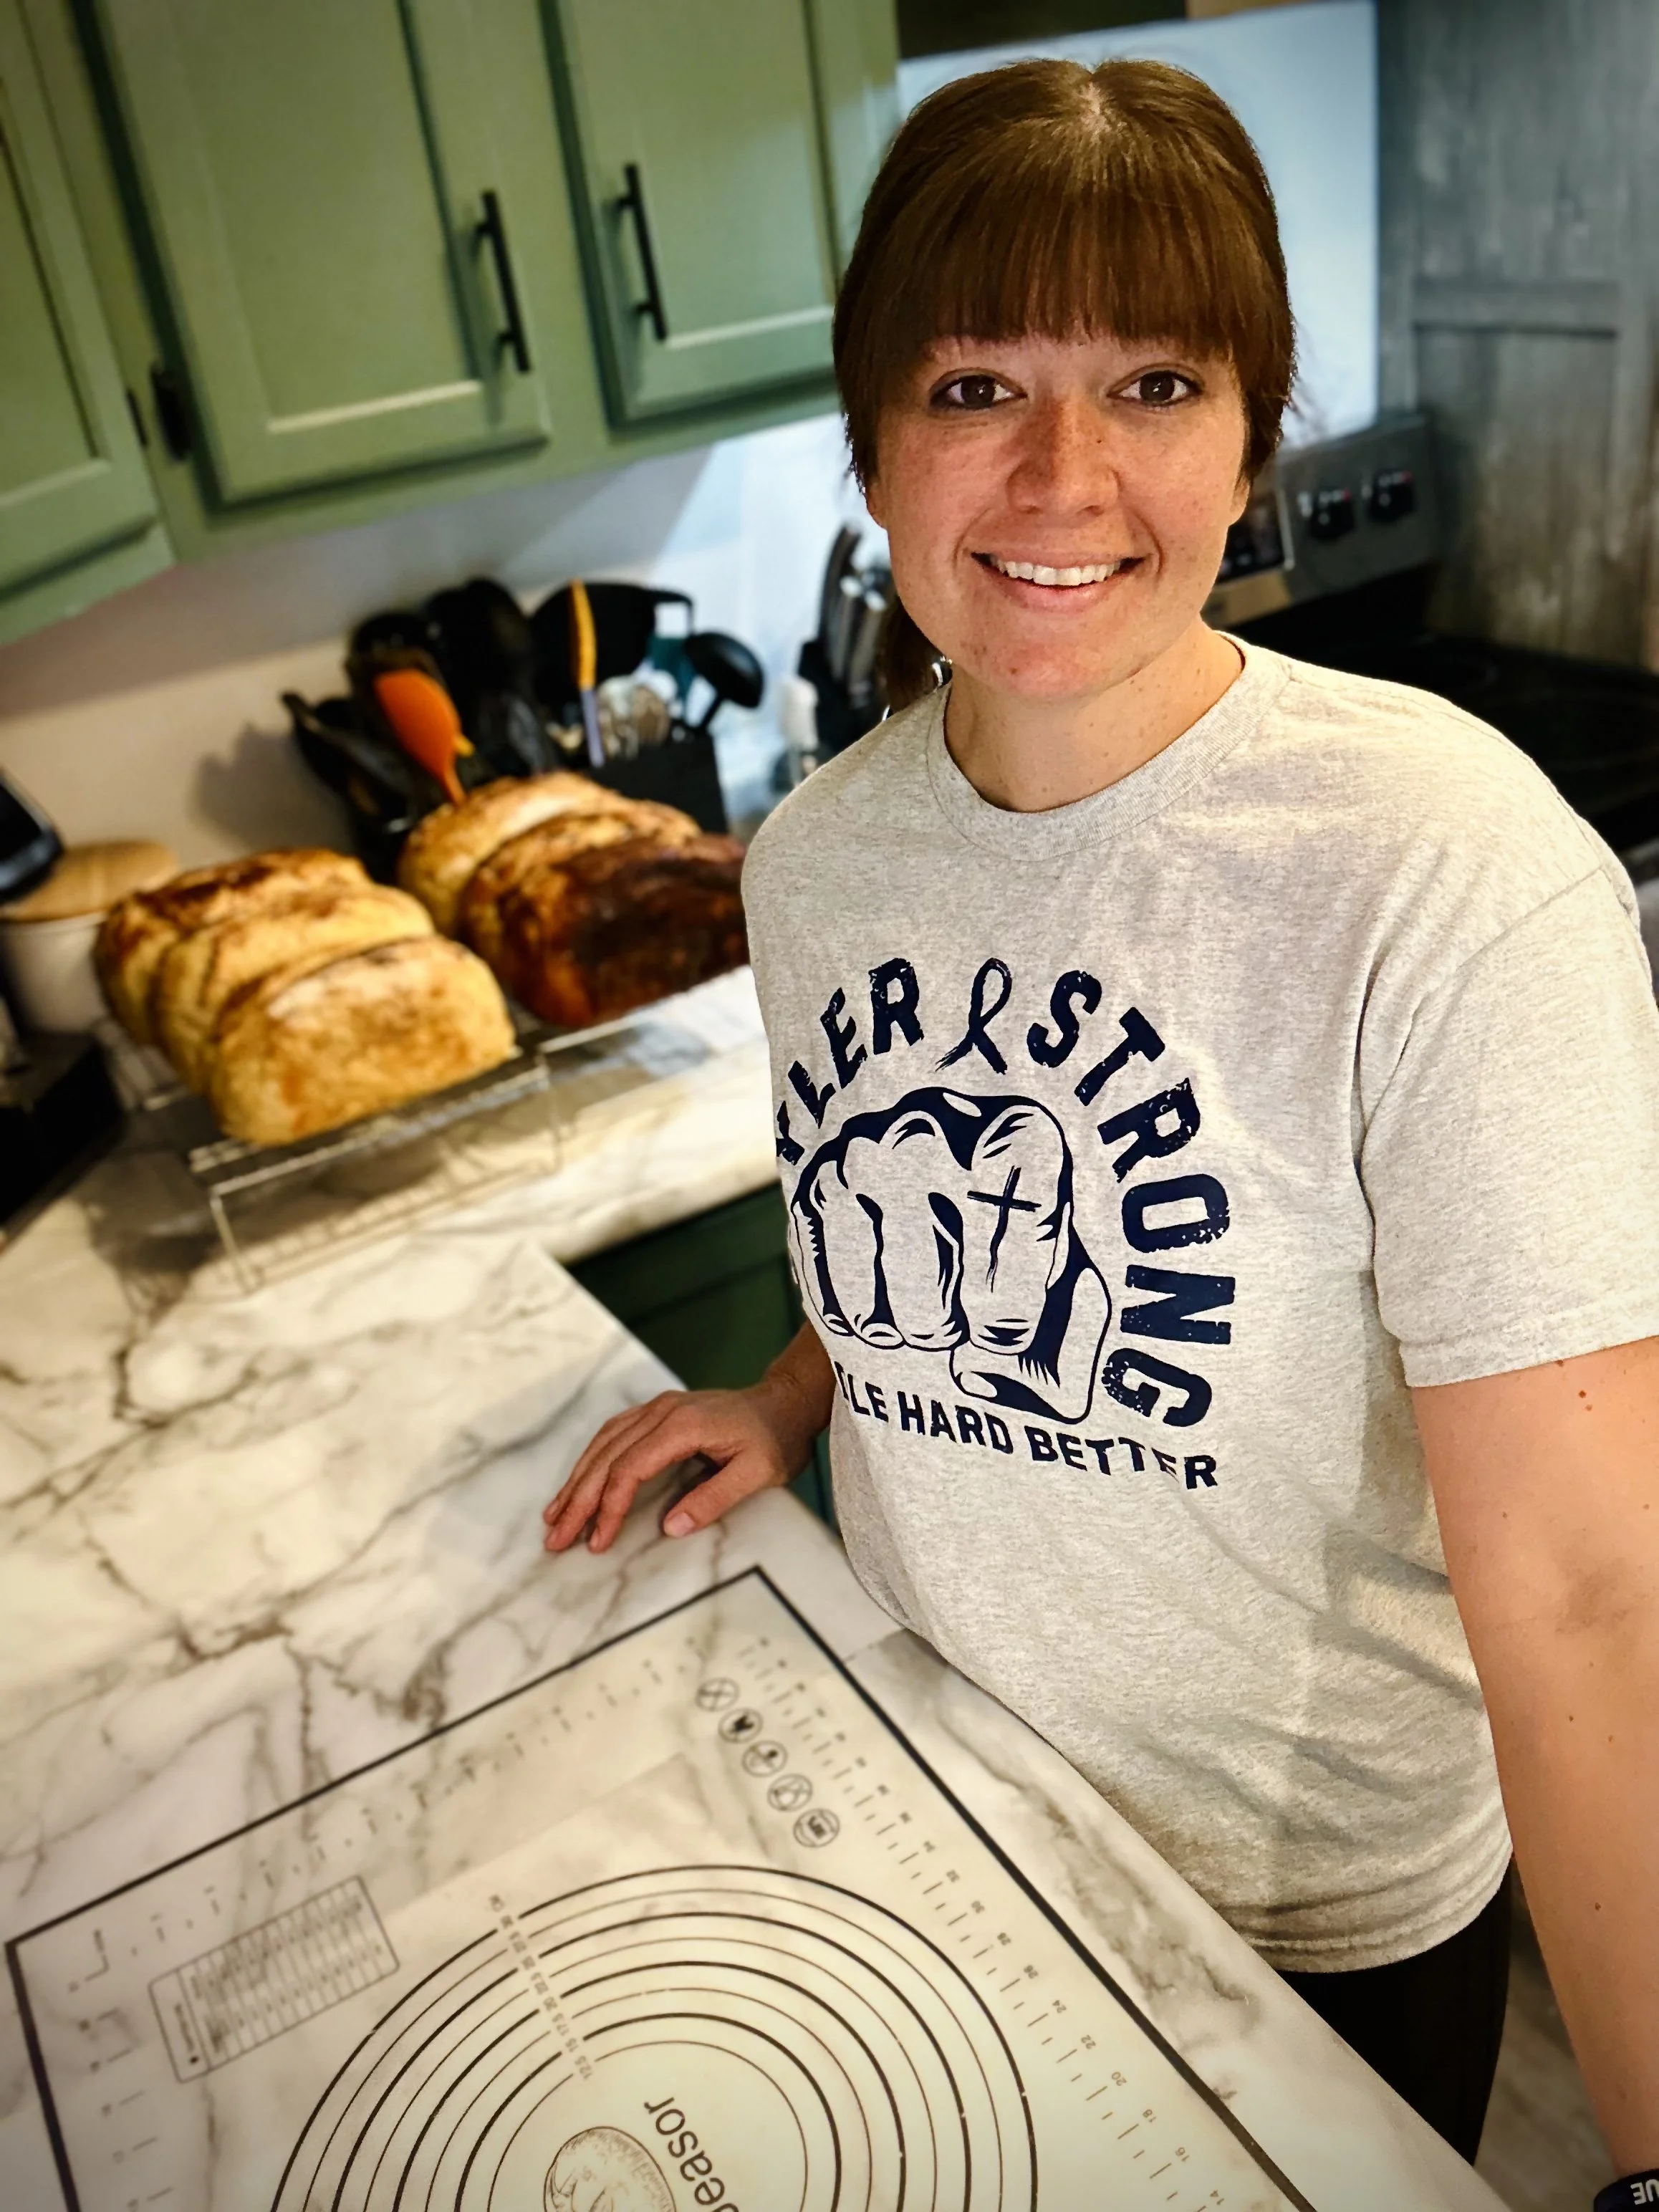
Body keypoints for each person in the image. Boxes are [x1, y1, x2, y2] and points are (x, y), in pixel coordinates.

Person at [544, 57, 1659, 2181]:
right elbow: (907, 1218)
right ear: (873, 442)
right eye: (974, 387)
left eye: (1155, 384)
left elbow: (1595, 1589)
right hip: (932, 1791)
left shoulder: (1437, 868)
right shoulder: (820, 861)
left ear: (1251, 447)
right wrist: (798, 1397)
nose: (1062, 481)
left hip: (1299, 1910)